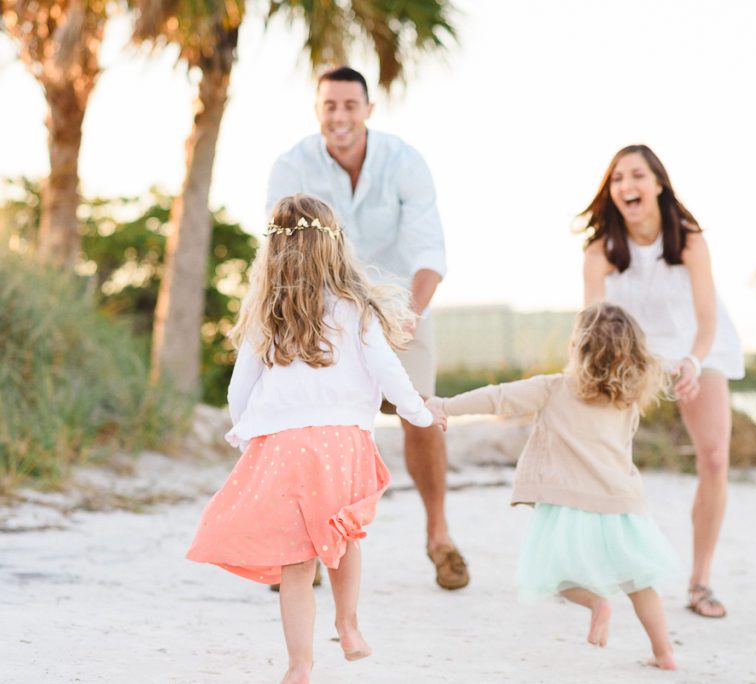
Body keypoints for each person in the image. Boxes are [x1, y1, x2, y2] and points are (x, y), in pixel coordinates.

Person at [187, 195, 446, 684]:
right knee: (344, 537)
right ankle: (348, 626)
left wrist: (246, 434)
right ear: (336, 248)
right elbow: (390, 374)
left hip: (283, 447)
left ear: (274, 253)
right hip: (343, 444)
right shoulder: (356, 308)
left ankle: (299, 666)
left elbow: (238, 388)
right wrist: (421, 413)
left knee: (296, 562)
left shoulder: (266, 313)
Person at [264, 66, 468, 591]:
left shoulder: (405, 162)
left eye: (350, 105)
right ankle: (305, 545)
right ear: (318, 110)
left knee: (420, 413)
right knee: (312, 427)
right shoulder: (292, 165)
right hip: (321, 313)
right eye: (330, 105)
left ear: (369, 110)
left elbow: (429, 252)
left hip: (401, 305)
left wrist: (409, 316)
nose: (340, 116)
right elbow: (278, 249)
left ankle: (439, 536)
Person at [427, 303, 681, 670]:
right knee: (640, 582)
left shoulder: (553, 388)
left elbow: (498, 397)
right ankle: (664, 652)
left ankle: (596, 603)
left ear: (578, 347)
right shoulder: (627, 402)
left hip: (569, 504)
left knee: (556, 576)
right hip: (620, 505)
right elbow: (623, 452)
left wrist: (445, 406)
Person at [581, 145, 744, 619]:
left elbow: (707, 317)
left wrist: (693, 361)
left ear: (658, 185)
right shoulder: (601, 251)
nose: (626, 186)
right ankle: (598, 570)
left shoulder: (689, 241)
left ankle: (700, 582)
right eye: (617, 179)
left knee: (715, 457)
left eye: (636, 176)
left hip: (699, 347)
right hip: (633, 352)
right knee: (604, 459)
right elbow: (594, 320)